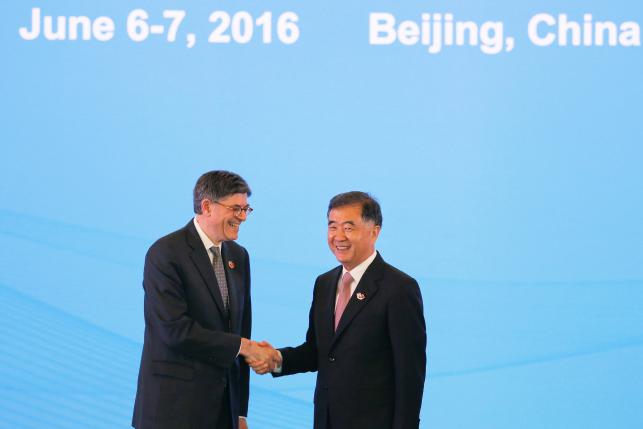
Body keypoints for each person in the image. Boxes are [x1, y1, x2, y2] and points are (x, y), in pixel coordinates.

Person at [252, 191, 426, 429]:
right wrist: (277, 360)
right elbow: (319, 352)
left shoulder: (399, 288)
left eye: (349, 227)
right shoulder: (324, 283)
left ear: (374, 232)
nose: (338, 236)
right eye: (332, 226)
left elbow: (410, 375)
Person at [132, 170, 274, 429]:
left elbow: (241, 329)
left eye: (246, 209)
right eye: (236, 209)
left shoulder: (238, 257)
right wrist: (244, 345)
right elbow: (175, 331)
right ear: (207, 206)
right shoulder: (166, 253)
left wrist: (240, 412)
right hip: (173, 412)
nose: (242, 217)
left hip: (223, 413)